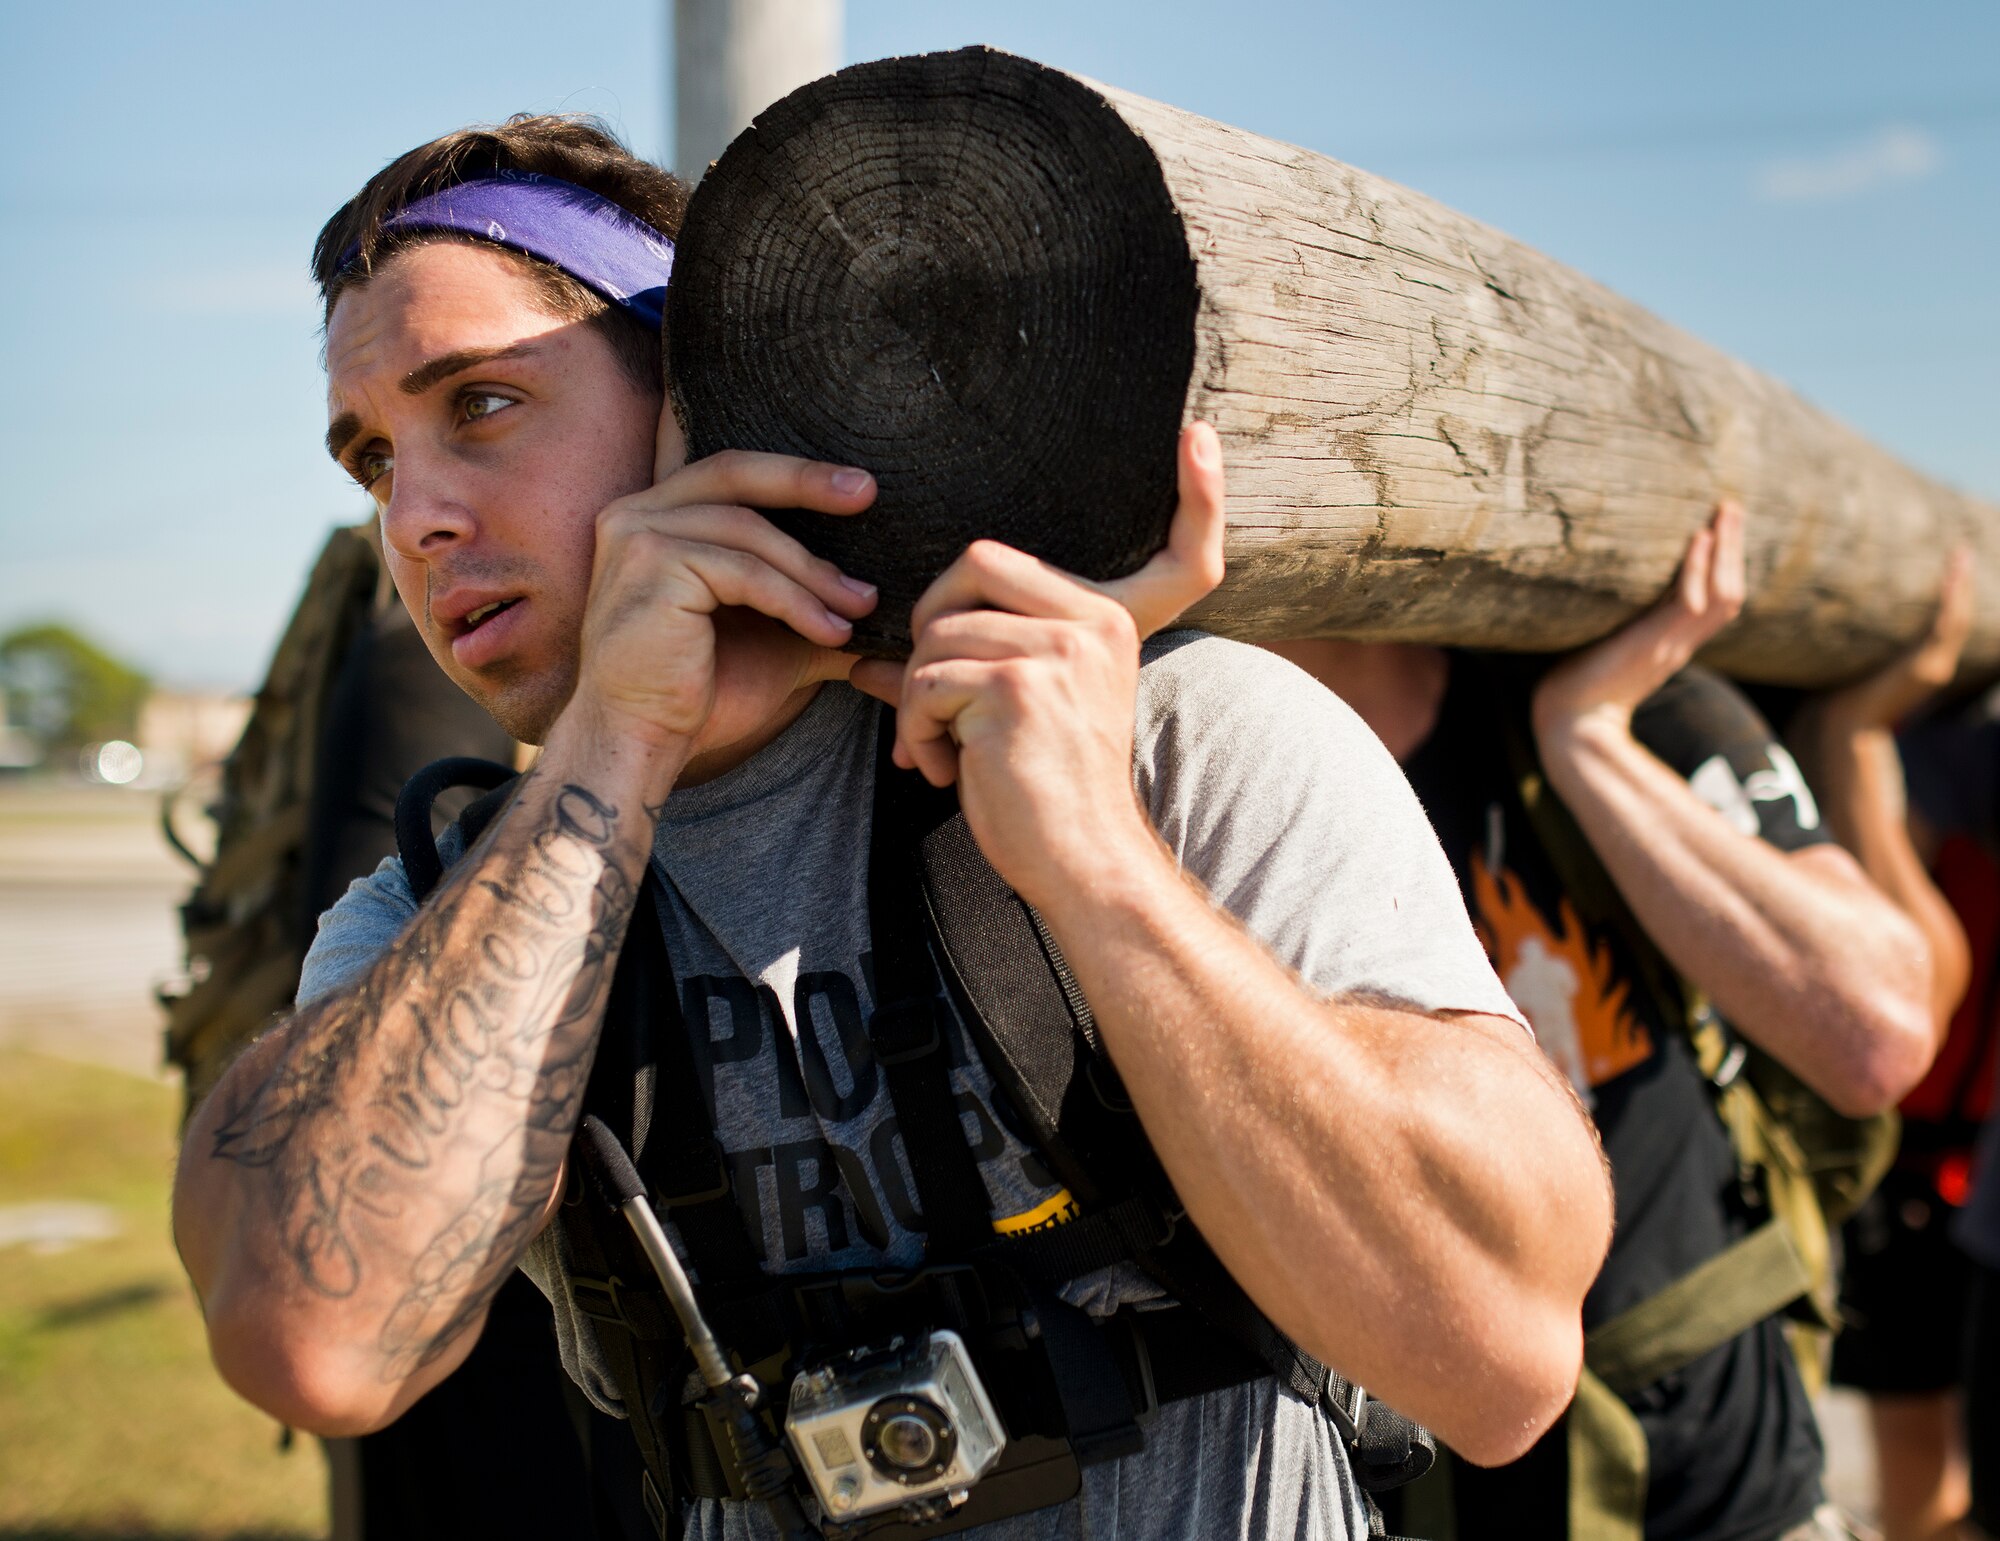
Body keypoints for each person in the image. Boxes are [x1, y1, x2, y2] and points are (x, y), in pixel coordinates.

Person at [167, 115, 1611, 1540]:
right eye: (371, 460)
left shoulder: (1173, 739)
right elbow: (321, 1342)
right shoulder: (438, 916)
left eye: (479, 404)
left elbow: (1496, 1363)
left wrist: (1098, 863)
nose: (413, 516)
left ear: (698, 396)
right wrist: (613, 750)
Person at [1269, 502, 1940, 1541]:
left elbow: (1875, 1030)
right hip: (1398, 1477)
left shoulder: (1616, 682)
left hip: (1719, 1472)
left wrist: (1587, 740)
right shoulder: (1189, 749)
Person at [1794, 555, 1982, 1541]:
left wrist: (1856, 732)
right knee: (1920, 1458)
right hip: (1919, 1156)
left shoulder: (1956, 756)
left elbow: (1919, 981)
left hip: (1930, 1152)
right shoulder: (1962, 750)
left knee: (1921, 1459)